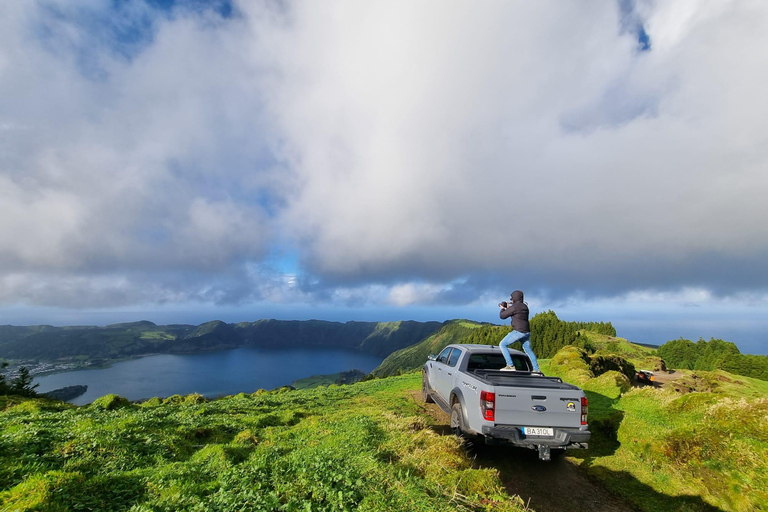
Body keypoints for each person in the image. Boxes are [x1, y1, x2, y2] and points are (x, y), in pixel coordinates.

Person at [498, 290, 542, 374]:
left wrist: (503, 308)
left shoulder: (514, 307)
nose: (511, 301)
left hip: (519, 331)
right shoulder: (525, 306)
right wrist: (509, 308)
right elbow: (517, 312)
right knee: (528, 350)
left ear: (514, 298)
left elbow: (502, 316)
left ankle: (510, 365)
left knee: (502, 344)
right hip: (527, 332)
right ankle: (536, 370)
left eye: (511, 299)